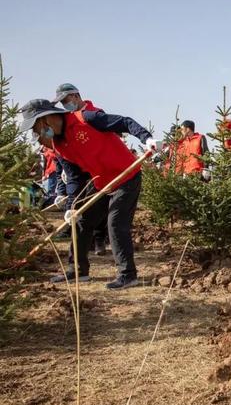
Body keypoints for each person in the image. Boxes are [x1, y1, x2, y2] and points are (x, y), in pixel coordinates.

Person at [18, 99, 158, 290]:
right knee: (81, 221)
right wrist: (71, 208)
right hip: (101, 183)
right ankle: (77, 270)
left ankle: (128, 275)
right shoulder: (59, 146)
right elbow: (75, 178)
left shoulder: (86, 118)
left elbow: (124, 122)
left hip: (126, 176)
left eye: (36, 127)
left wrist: (146, 138)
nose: (37, 133)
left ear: (46, 119)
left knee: (115, 223)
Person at [53, 83, 109, 254]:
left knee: (99, 206)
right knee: (82, 206)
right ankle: (87, 242)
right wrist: (66, 168)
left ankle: (100, 240)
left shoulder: (96, 113)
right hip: (80, 169)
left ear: (76, 96)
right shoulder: (67, 119)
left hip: (99, 168)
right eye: (62, 103)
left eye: (66, 100)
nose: (65, 105)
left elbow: (106, 141)